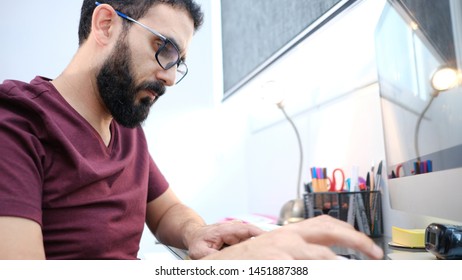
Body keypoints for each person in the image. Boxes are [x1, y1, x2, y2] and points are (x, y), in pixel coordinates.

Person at [0, 0, 384, 260]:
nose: (169, 78)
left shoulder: (127, 130)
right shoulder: (17, 122)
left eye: (178, 62)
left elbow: (168, 212)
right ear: (105, 25)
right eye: (164, 49)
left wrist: (197, 233)